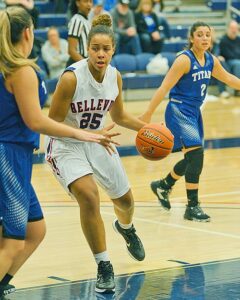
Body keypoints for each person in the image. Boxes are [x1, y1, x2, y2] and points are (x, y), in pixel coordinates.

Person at [0, 6, 116, 299]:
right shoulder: (21, 70)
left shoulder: (7, 67)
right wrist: (83, 133)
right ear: (28, 33)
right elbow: (36, 121)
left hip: (17, 157)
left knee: (35, 230)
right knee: (12, 243)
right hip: (9, 157)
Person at [45, 14, 146, 294]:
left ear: (113, 50)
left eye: (106, 49)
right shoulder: (71, 78)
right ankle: (104, 265)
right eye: (95, 48)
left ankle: (125, 227)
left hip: (97, 140)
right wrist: (88, 135)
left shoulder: (115, 77)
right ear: (87, 49)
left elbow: (120, 114)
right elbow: (51, 124)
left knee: (125, 201)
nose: (100, 54)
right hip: (65, 144)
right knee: (89, 196)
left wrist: (149, 128)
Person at [140, 21, 240, 222]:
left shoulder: (211, 60)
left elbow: (230, 79)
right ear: (192, 38)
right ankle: (192, 206)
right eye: (200, 35)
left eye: (208, 35)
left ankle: (163, 185)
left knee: (191, 158)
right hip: (178, 110)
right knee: (197, 155)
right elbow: (163, 88)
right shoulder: (184, 60)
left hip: (194, 112)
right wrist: (148, 114)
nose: (204, 38)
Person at [66, 0, 93, 66]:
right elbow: (71, 50)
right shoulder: (76, 20)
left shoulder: (87, 20)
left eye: (90, 1)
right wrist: (87, 65)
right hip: (78, 64)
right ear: (77, 3)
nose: (89, 4)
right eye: (85, 1)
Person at [219, 20, 240, 97]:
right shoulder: (224, 40)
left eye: (235, 28)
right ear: (228, 29)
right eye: (232, 28)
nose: (234, 30)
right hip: (228, 62)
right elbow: (227, 55)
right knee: (238, 64)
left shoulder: (239, 39)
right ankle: (238, 89)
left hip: (237, 61)